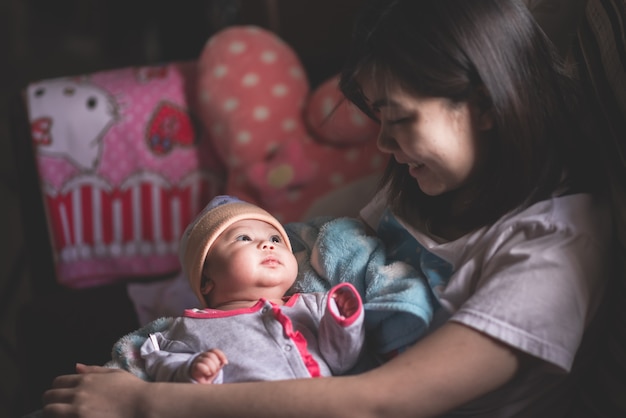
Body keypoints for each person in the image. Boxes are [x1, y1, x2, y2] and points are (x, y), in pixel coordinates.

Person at [41, 0, 612, 417]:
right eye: (378, 121)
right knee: (65, 325)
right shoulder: (429, 186)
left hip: (330, 394)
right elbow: (310, 262)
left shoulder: (552, 251)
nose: (383, 146)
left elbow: (383, 401)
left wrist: (146, 402)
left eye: (401, 118)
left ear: (485, 104)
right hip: (255, 357)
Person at [140, 195, 365, 383]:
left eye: (276, 239)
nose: (268, 245)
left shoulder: (315, 305)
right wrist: (190, 369)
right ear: (206, 278)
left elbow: (342, 362)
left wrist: (344, 323)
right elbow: (158, 360)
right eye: (244, 238)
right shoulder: (193, 326)